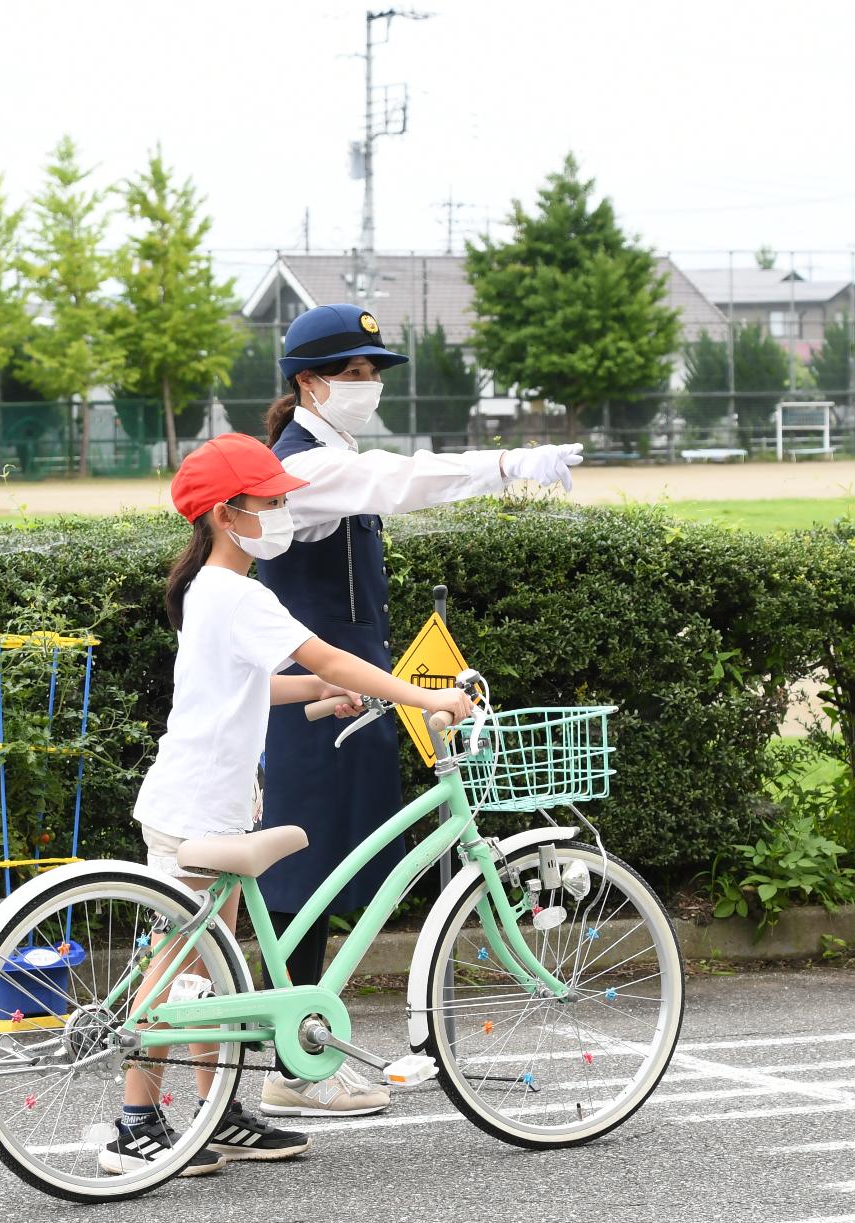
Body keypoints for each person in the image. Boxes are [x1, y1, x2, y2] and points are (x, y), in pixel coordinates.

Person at [103, 432, 476, 1177]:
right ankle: (135, 1120)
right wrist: (422, 693)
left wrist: (318, 697)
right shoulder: (239, 593)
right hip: (199, 808)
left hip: (206, 799)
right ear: (224, 514)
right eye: (270, 502)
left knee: (207, 970)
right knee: (176, 969)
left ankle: (216, 1112)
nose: (283, 513)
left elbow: (252, 686)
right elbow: (331, 654)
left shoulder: (210, 591)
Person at [254, 303, 580, 1118]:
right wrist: (506, 464)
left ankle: (301, 1049)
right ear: (309, 383)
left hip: (348, 698)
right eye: (355, 372)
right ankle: (293, 1065)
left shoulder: (331, 452)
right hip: (315, 702)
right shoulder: (306, 465)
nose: (369, 386)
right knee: (303, 878)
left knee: (323, 876)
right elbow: (406, 479)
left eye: (373, 372)